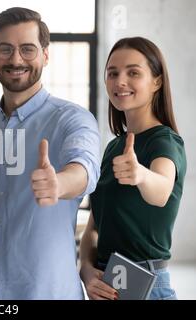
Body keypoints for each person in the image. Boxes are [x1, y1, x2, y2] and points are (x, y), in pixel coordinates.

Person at [0, 7, 101, 299]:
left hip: (48, 292)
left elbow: (86, 168)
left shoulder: (73, 119)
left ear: (45, 55)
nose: (16, 60)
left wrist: (59, 184)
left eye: (28, 49)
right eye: (6, 49)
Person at [79, 37, 186, 300]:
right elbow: (94, 225)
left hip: (146, 285)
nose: (120, 81)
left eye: (133, 72)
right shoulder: (114, 148)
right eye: (112, 73)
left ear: (157, 82)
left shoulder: (165, 141)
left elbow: (161, 189)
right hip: (106, 283)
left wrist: (140, 175)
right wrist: (86, 270)